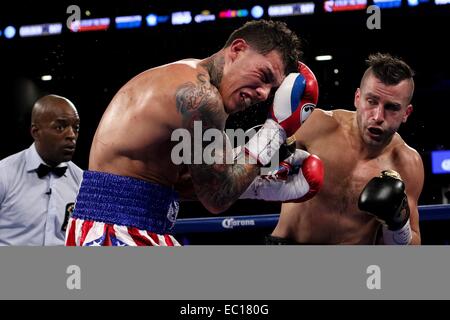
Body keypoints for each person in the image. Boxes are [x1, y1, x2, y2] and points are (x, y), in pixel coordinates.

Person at [65, 20, 324, 246]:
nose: (264, 94)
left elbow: (199, 183)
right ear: (237, 49)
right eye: (263, 75)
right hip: (117, 227)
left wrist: (263, 180)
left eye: (272, 87)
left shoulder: (192, 81)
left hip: (119, 224)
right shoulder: (200, 98)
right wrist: (274, 132)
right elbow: (216, 197)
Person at [270, 53, 424, 245]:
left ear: (406, 113)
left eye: (392, 108)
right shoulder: (316, 125)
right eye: (372, 101)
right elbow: (261, 165)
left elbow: (412, 247)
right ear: (357, 98)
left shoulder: (407, 163)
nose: (378, 116)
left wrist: (398, 222)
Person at [0, 94, 82, 245]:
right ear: (36, 132)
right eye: (60, 127)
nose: (71, 135)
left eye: (75, 128)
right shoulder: (4, 173)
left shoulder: (82, 181)